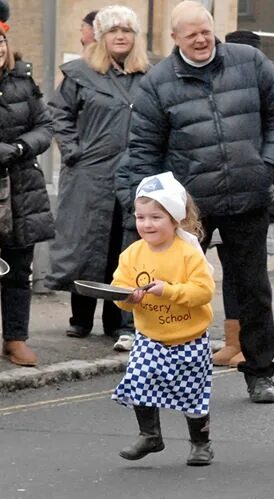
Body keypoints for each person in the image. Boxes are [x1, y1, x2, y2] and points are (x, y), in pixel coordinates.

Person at [124, 1, 274, 403]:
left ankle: (259, 374)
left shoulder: (249, 62)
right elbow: (144, 150)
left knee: (254, 290)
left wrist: (266, 165)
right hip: (188, 209)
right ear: (175, 39)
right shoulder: (158, 82)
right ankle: (172, 372)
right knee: (177, 290)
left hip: (248, 196)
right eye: (192, 34)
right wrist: (157, 206)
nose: (202, 40)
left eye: (206, 30)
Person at [47, 5, 149, 352]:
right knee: (87, 243)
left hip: (134, 172)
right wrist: (73, 150)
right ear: (102, 37)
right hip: (90, 171)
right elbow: (59, 114)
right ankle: (80, 318)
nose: (121, 36)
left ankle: (119, 320)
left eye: (127, 30)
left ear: (135, 38)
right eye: (113, 30)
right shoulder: (79, 73)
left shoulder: (150, 75)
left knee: (126, 245)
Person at [209, 29, 274, 369]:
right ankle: (232, 341)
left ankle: (251, 345)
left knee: (252, 275)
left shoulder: (268, 80)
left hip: (259, 195)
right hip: (217, 195)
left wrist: (263, 170)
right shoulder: (219, 82)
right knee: (229, 271)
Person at [112, 172, 216, 466]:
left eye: (156, 217)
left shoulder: (188, 253)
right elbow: (118, 290)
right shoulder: (132, 254)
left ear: (175, 219)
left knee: (192, 395)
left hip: (190, 337)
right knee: (139, 382)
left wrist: (168, 291)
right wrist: (126, 297)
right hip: (150, 337)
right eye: (141, 217)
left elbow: (203, 291)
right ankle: (150, 435)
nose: (147, 224)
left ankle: (201, 444)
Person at [0, 17, 55, 367]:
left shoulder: (23, 80)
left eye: (0, 44)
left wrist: (20, 148)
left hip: (21, 189)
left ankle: (16, 339)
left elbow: (45, 126)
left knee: (19, 268)